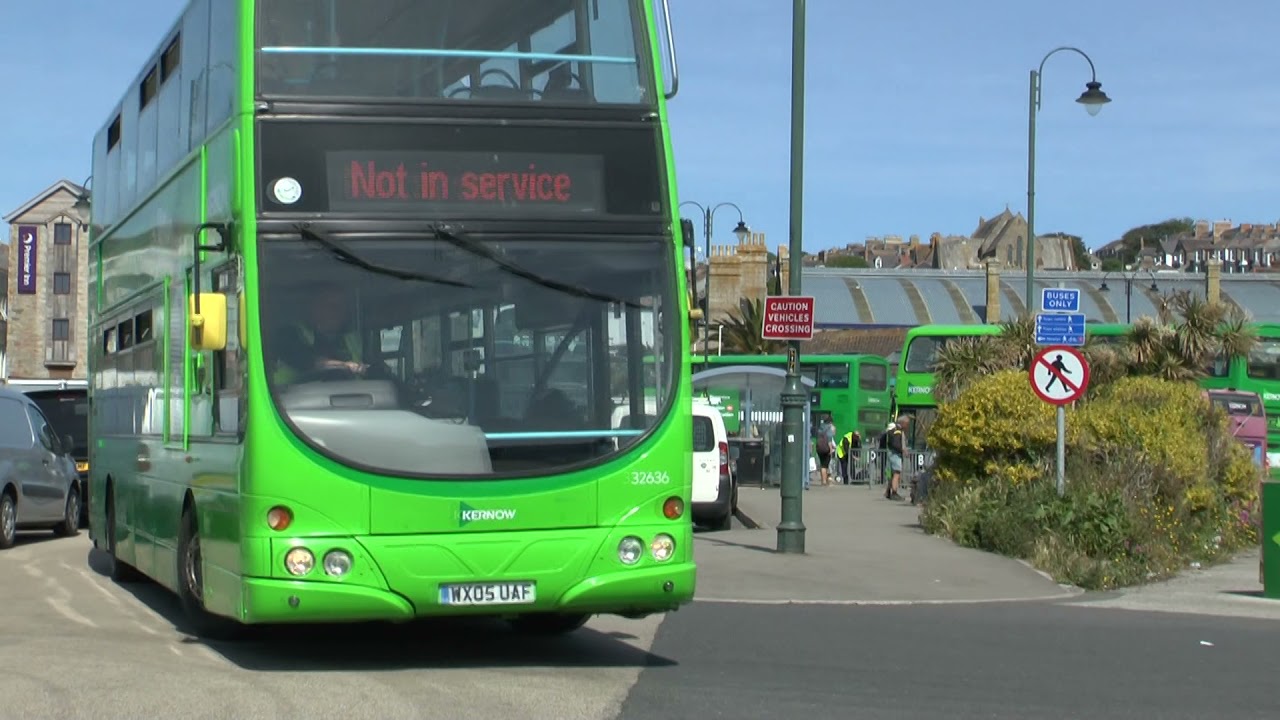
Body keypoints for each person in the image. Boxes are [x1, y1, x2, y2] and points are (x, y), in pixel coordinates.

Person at [271, 282, 367, 385]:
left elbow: (373, 367)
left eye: (342, 306)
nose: (338, 311)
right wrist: (346, 366)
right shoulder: (289, 334)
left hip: (356, 398)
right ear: (314, 308)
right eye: (331, 305)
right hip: (285, 399)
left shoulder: (353, 339)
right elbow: (306, 361)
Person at [884, 415, 911, 500]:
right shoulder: (898, 431)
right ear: (903, 423)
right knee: (897, 473)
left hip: (892, 454)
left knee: (893, 474)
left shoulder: (895, 430)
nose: (907, 426)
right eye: (907, 424)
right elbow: (896, 444)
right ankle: (894, 493)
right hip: (896, 454)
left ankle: (888, 491)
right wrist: (903, 450)